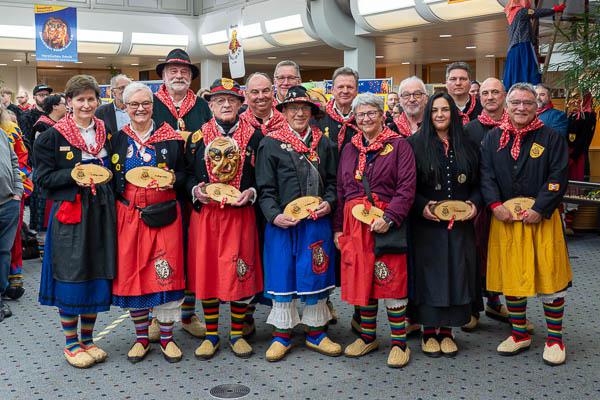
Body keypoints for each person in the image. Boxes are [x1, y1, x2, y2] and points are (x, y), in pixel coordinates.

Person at [481, 82, 572, 366]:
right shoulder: (492, 139)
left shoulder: (552, 138)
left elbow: (559, 175)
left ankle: (555, 338)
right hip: (505, 220)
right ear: (507, 106)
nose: (521, 108)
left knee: (549, 276)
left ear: (537, 107)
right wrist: (495, 206)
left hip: (540, 220)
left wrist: (541, 207)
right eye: (516, 102)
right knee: (512, 276)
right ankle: (520, 333)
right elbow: (486, 176)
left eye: (528, 103)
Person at [35, 75, 116, 368]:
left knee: (96, 271)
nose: (86, 104)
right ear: (68, 102)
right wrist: (75, 174)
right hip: (72, 213)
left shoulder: (106, 131)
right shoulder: (52, 137)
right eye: (79, 99)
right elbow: (41, 180)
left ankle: (89, 340)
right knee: (72, 275)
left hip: (101, 211)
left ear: (97, 101)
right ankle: (71, 344)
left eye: (91, 99)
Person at [256, 85, 340, 361]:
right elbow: (265, 188)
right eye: (294, 108)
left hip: (316, 222)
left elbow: (333, 183)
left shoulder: (325, 143)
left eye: (304, 108)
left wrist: (328, 202)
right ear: (285, 112)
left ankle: (317, 332)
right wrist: (274, 215)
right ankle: (282, 335)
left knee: (315, 272)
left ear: (312, 113)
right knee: (283, 275)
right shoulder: (269, 143)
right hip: (282, 224)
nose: (299, 113)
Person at [334, 93, 416, 368]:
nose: (366, 119)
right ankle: (368, 336)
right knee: (362, 280)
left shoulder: (399, 146)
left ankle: (399, 343)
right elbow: (341, 190)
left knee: (390, 281)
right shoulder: (349, 148)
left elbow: (406, 188)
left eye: (371, 113)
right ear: (355, 119)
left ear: (383, 116)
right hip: (353, 225)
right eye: (360, 115)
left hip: (384, 222)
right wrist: (338, 229)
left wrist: (391, 217)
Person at [186, 78, 264, 359]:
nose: (226, 104)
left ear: (241, 104)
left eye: (232, 100)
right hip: (206, 216)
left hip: (240, 215)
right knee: (208, 274)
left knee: (239, 272)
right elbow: (184, 176)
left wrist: (252, 192)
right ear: (210, 105)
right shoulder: (196, 138)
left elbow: (264, 178)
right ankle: (210, 335)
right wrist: (195, 189)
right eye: (220, 100)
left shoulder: (256, 137)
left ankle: (237, 334)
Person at [110, 82, 186, 364]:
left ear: (153, 106)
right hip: (129, 216)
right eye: (134, 104)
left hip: (165, 213)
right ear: (125, 107)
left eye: (145, 104)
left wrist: (173, 179)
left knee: (166, 272)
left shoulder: (171, 138)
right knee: (133, 276)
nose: (140, 109)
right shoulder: (117, 139)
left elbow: (186, 172)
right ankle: (142, 338)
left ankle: (166, 338)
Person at [407, 92, 480, 358]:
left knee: (456, 273)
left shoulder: (468, 144)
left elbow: (479, 183)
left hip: (460, 226)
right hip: (426, 226)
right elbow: (405, 187)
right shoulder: (413, 144)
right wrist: (421, 207)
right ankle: (428, 331)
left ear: (453, 113)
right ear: (428, 114)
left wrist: (474, 204)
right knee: (430, 276)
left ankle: (447, 331)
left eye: (445, 110)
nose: (440, 114)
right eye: (435, 110)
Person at [151, 48, 211, 339]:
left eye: (184, 72)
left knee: (189, 252)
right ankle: (155, 316)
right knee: (158, 253)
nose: (178, 76)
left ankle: (188, 314)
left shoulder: (202, 106)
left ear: (190, 77)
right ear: (163, 75)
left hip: (192, 191)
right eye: (172, 71)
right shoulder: (149, 104)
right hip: (158, 192)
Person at [462, 78, 512, 332]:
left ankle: (495, 301)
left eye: (495, 92)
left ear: (504, 95)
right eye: (485, 93)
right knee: (475, 256)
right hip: (479, 205)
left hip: (509, 206)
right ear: (478, 98)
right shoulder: (470, 129)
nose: (490, 97)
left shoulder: (517, 126)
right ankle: (473, 308)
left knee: (503, 256)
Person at [28, 94, 67, 259]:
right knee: (43, 213)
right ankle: (44, 251)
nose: (67, 107)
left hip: (58, 175)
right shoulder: (42, 126)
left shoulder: (61, 124)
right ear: (55, 106)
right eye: (64, 104)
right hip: (46, 173)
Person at [0, 106, 32, 301]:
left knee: (12, 241)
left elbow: (20, 158)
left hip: (10, 195)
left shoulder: (9, 130)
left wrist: (17, 189)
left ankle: (12, 279)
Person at [503, 0, 566, 89]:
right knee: (528, 70)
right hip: (523, 46)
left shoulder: (510, 15)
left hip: (512, 51)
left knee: (516, 74)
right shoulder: (522, 11)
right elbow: (536, 12)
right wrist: (554, 9)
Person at [0, 127, 22, 322]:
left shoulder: (1, 134)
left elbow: (15, 163)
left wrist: (17, 192)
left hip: (8, 203)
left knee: (4, 253)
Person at [318, 67, 359, 153]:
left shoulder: (365, 118)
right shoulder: (318, 116)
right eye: (340, 87)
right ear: (332, 90)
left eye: (350, 87)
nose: (345, 91)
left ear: (356, 91)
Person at [566, 93, 596, 181]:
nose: (575, 101)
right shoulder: (573, 115)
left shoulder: (589, 116)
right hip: (569, 151)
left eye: (578, 98)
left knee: (578, 179)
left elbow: (584, 139)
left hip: (579, 154)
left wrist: (573, 156)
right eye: (574, 98)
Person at [21, 84, 53, 149]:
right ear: (34, 97)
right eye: (41, 95)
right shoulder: (27, 116)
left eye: (47, 95)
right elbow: (27, 141)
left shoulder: (54, 113)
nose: (45, 97)